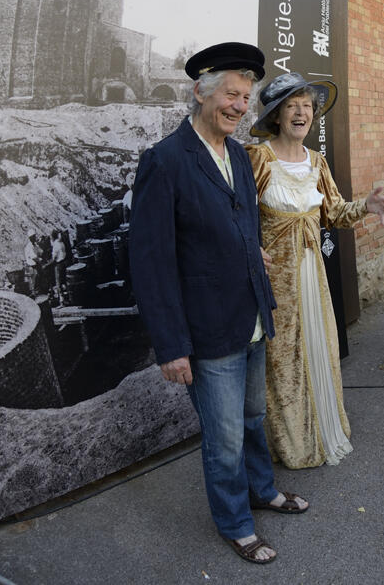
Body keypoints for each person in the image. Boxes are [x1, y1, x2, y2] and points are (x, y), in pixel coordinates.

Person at [130, 42, 305, 565]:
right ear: (200, 93)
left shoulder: (237, 154)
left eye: (246, 97)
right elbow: (152, 263)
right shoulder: (164, 161)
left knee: (253, 418)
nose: (240, 106)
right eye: (232, 94)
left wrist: (255, 261)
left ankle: (262, 489)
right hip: (207, 332)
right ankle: (235, 522)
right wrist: (171, 347)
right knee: (224, 437)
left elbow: (242, 224)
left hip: (250, 316)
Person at [245, 72, 384, 469]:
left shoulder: (317, 162)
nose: (301, 112)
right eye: (292, 106)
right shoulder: (257, 158)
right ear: (276, 116)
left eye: (307, 106)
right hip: (276, 281)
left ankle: (323, 425)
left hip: (312, 276)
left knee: (317, 349)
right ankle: (290, 442)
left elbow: (334, 214)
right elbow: (238, 216)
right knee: (284, 362)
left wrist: (366, 205)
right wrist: (247, 249)